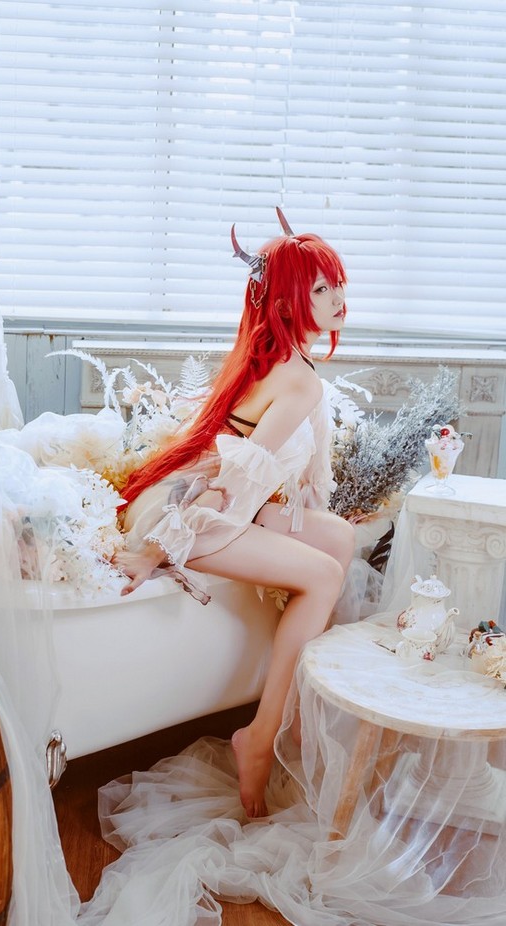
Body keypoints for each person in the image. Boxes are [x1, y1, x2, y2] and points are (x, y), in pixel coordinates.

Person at [112, 209, 355, 818]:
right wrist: (155, 549)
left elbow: (260, 473)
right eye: (320, 288)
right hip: (190, 509)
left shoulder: (284, 359)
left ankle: (295, 709)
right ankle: (261, 736)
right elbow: (230, 480)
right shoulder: (297, 379)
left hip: (211, 499)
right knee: (324, 575)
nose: (337, 297)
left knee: (338, 539)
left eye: (336, 283)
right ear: (288, 302)